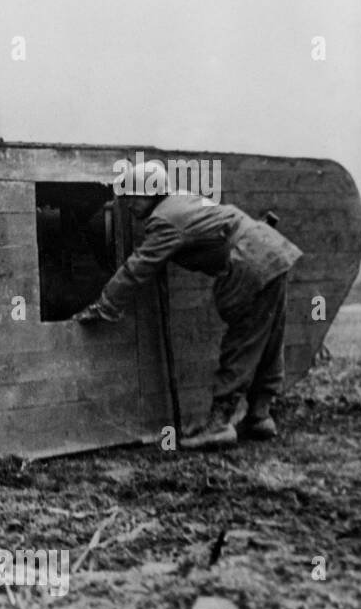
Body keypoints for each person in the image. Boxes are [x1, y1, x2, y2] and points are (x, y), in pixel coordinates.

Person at [73, 171, 302, 450]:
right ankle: (260, 416)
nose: (129, 204)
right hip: (271, 249)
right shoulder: (183, 202)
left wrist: (105, 305)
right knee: (268, 335)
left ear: (152, 193)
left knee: (243, 340)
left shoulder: (165, 219)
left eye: (133, 196)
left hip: (250, 258)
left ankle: (219, 425)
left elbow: (139, 267)